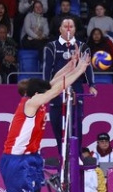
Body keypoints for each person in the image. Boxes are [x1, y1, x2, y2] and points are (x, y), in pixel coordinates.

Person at [0, 50, 90, 192]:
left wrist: (71, 63)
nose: (48, 93)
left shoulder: (37, 98)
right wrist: (81, 70)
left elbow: (56, 80)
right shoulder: (31, 104)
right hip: (15, 161)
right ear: (37, 93)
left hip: (29, 159)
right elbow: (58, 87)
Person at [43, 17, 97, 154]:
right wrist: (45, 86)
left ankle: (76, 155)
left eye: (71, 26)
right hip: (56, 88)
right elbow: (47, 67)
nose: (68, 29)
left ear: (75, 30)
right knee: (56, 122)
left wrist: (92, 85)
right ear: (60, 29)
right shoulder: (52, 46)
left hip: (76, 88)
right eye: (65, 26)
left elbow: (88, 67)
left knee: (77, 123)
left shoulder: (82, 46)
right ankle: (62, 154)